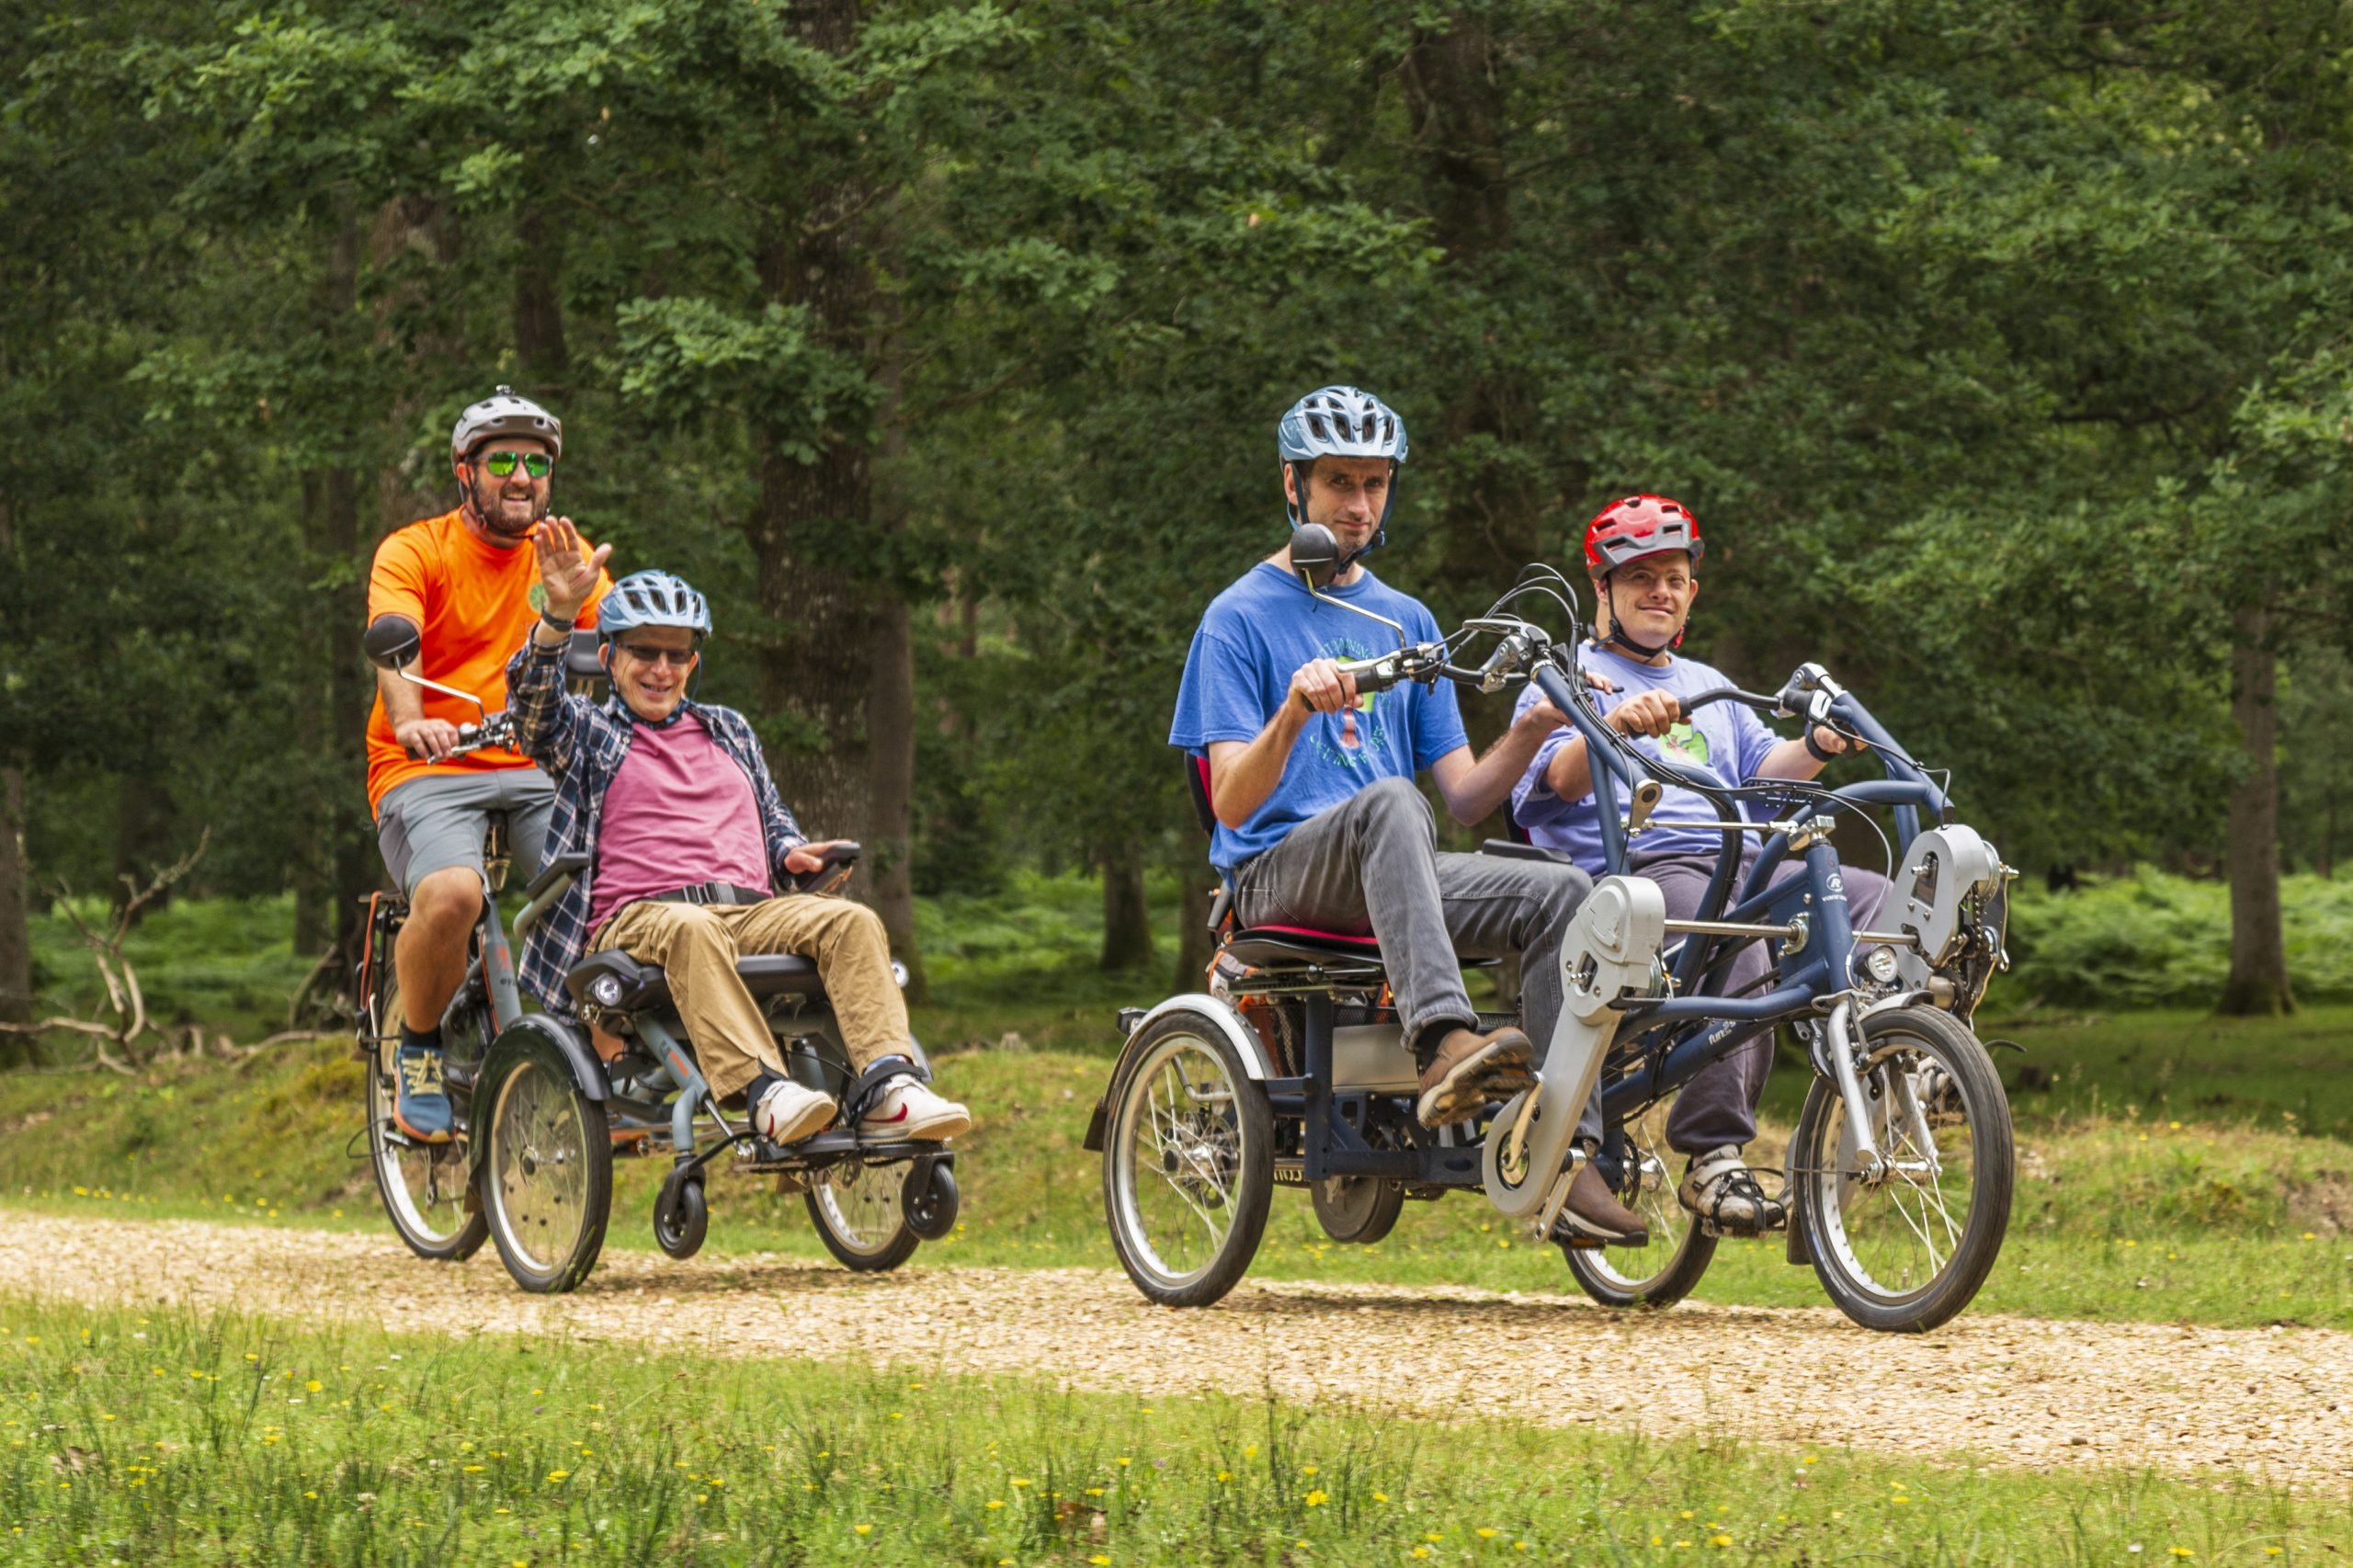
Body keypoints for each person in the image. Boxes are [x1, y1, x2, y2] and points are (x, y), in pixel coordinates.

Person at [1169, 384, 1647, 1244]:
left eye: (1375, 484)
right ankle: (1443, 1041)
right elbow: (1230, 803)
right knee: (1390, 801)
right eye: (1339, 484)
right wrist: (1292, 714)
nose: (1358, 505)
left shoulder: (1406, 618)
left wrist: (1531, 726)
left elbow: (1463, 794)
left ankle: (1560, 1153)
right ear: (1294, 486)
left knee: (1566, 892)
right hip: (1282, 874)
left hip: (1396, 873)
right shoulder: (1235, 617)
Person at [506, 528, 969, 1146]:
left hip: (747, 914)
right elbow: (533, 713)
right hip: (641, 921)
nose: (661, 668)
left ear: (693, 662)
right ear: (611, 656)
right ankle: (764, 1093)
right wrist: (559, 614)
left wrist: (789, 850)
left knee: (851, 922)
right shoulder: (589, 733)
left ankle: (889, 1085)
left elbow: (770, 817)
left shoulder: (729, 730)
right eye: (644, 651)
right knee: (690, 929)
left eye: (677, 654)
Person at [1508, 494, 1889, 1233]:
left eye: (1674, 578)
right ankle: (1713, 1155)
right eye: (1641, 576)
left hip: (1739, 856)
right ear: (1602, 590)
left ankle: (1893, 1045)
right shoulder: (1568, 676)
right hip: (1646, 874)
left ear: (1693, 593)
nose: (1661, 591)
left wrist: (1818, 747)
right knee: (1739, 937)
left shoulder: (1708, 684)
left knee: (1869, 898)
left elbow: (1766, 772)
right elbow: (1554, 783)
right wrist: (1608, 725)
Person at [366, 387, 613, 1144]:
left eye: (536, 463)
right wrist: (411, 720)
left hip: (537, 765)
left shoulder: (563, 563)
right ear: (463, 470)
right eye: (501, 458)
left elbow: (626, 659)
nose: (520, 475)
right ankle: (419, 1045)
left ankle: (610, 1056)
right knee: (450, 896)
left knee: (611, 897)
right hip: (429, 768)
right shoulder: (417, 549)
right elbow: (395, 634)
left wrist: (573, 608)